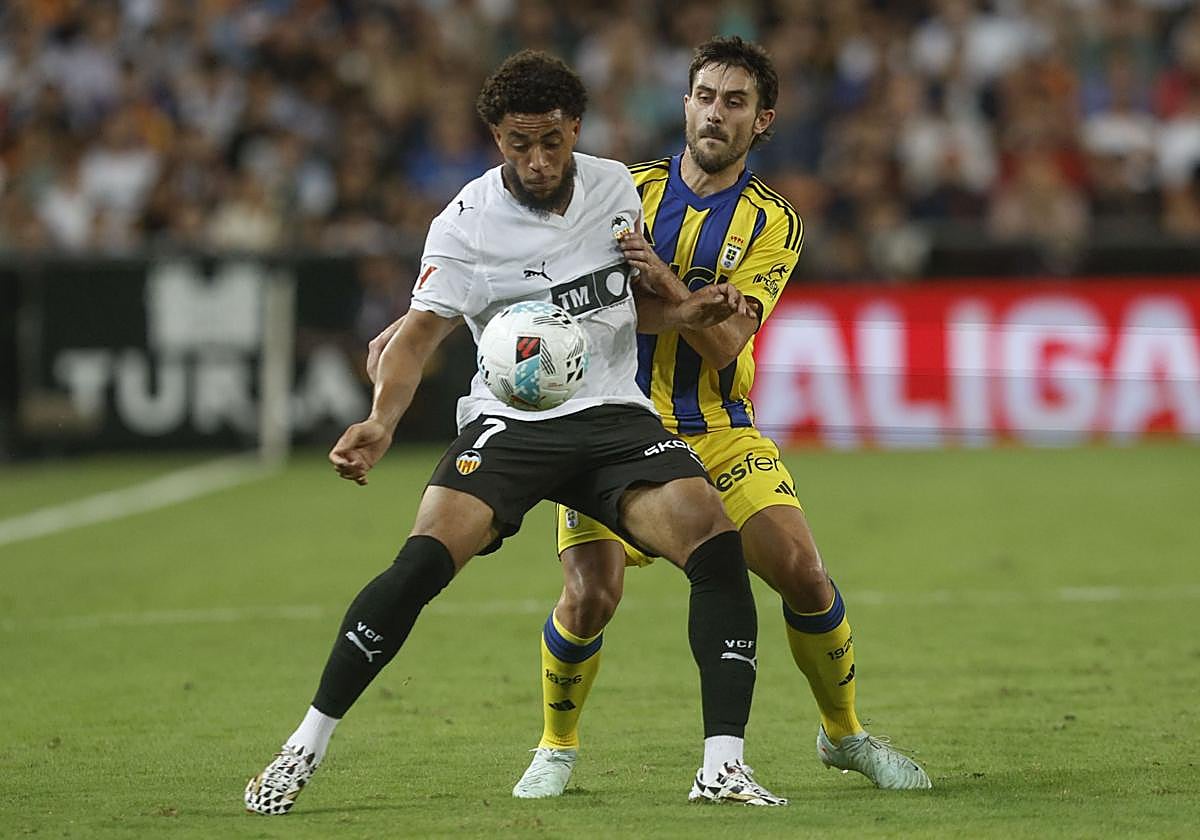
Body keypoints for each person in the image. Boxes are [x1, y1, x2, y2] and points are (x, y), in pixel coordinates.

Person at [243, 50, 787, 816]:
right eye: (516, 144)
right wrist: (380, 419)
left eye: (551, 142)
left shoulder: (613, 188)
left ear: (576, 131)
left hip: (611, 415)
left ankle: (721, 766)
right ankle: (305, 743)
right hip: (509, 422)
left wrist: (685, 313)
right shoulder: (463, 224)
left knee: (715, 543)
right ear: (495, 136)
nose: (535, 161)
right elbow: (418, 335)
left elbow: (628, 307)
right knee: (421, 565)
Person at [508, 36, 932, 800]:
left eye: (735, 102)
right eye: (705, 96)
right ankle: (556, 746)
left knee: (804, 574)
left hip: (719, 430)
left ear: (761, 119)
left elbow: (729, 335)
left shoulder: (773, 222)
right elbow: (573, 298)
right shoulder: (619, 189)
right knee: (589, 594)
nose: (715, 113)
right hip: (610, 425)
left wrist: (666, 283)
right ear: (685, 104)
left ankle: (844, 735)